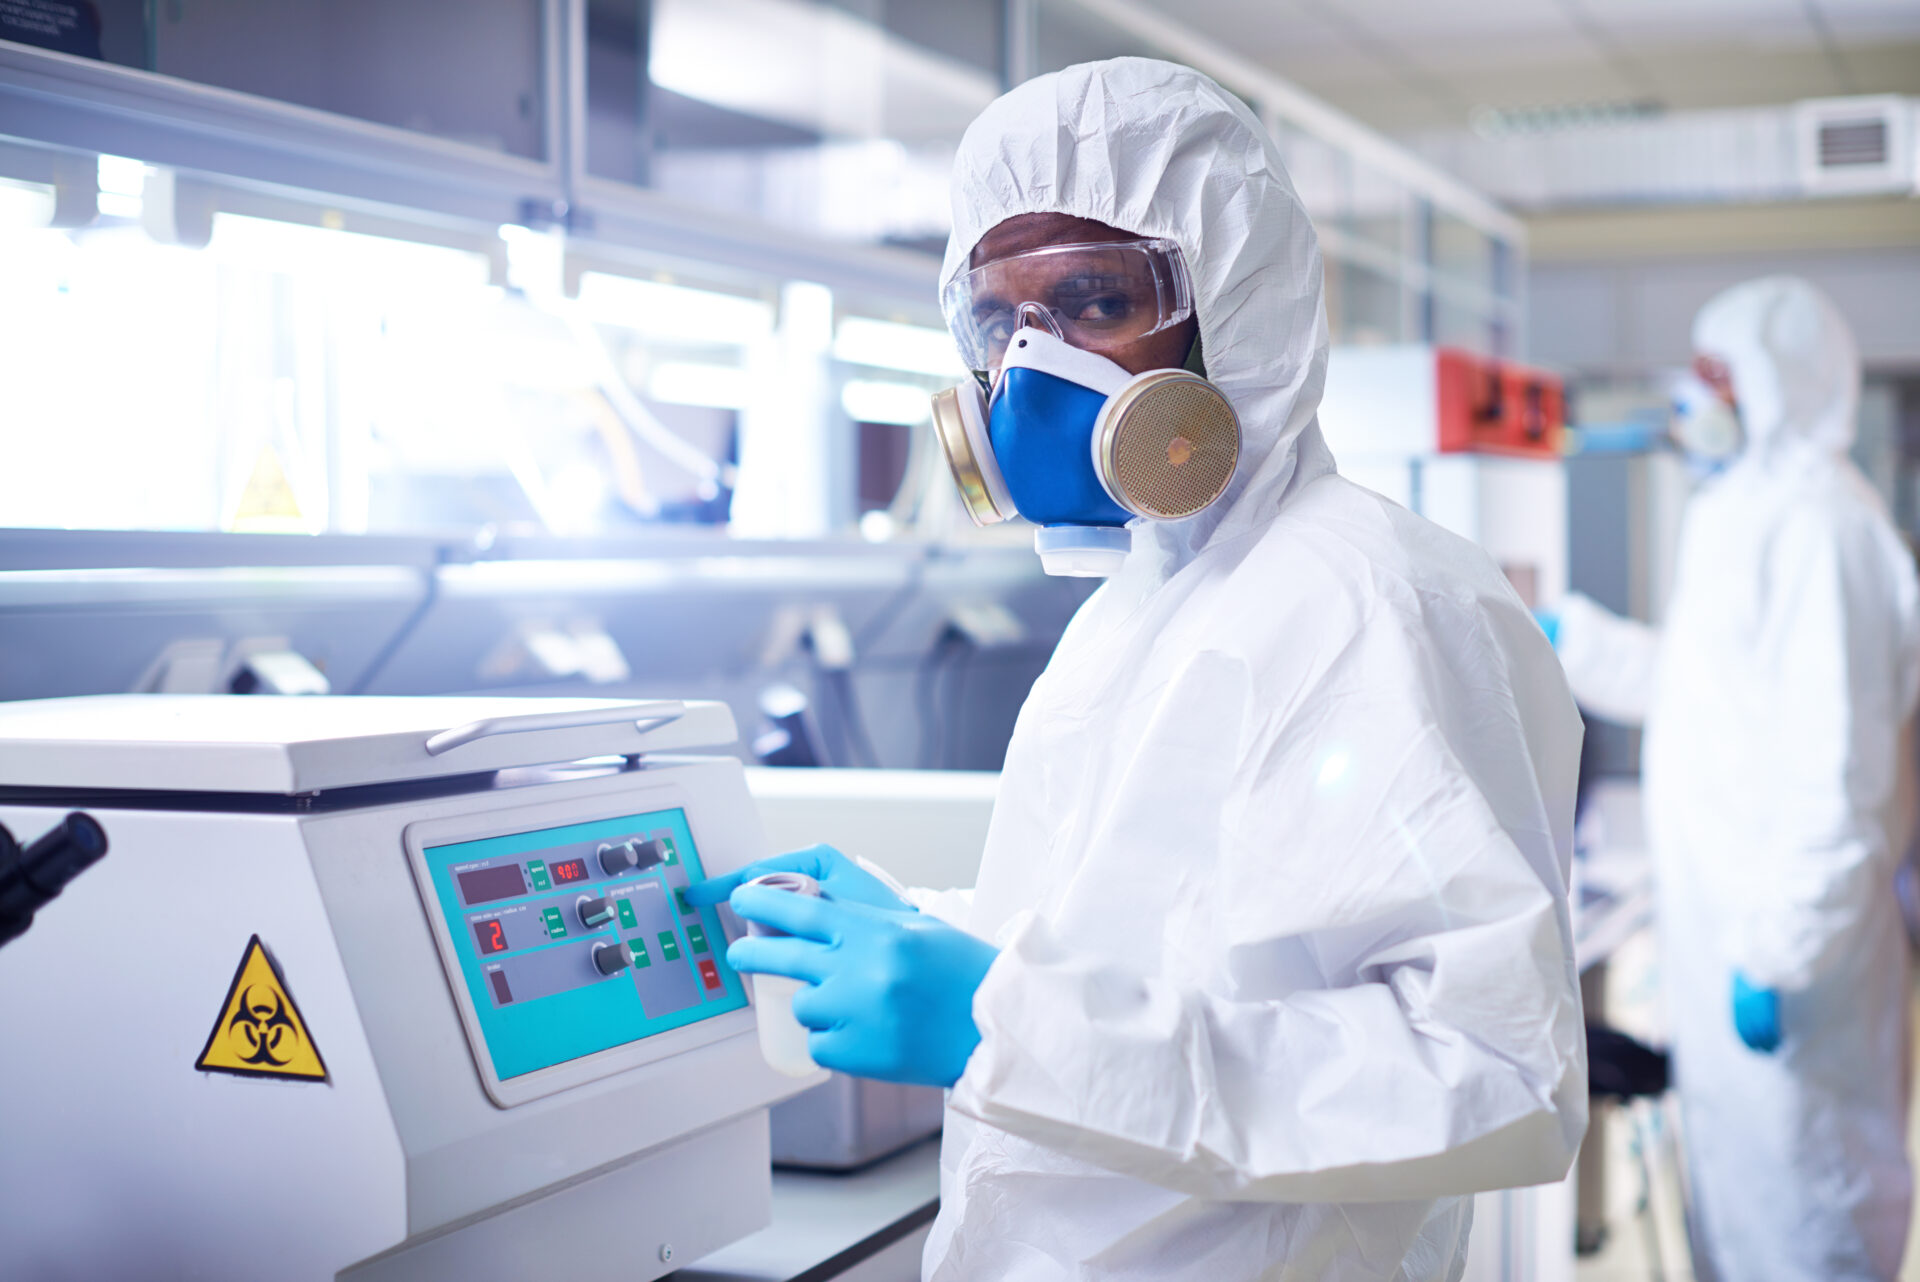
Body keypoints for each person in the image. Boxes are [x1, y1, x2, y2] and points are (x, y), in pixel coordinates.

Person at [690, 57, 1588, 1280]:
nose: (1032, 367)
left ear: (1240, 304)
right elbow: (1166, 944)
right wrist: (935, 930)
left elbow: (1492, 1072)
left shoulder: (1372, 600)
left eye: (1097, 301)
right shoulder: (1135, 603)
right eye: (1002, 322)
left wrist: (997, 1021)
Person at [1547, 276, 1920, 1282]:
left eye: (1720, 377)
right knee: (1747, 1210)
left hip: (1791, 968)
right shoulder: (1741, 511)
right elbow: (1701, 686)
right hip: (1731, 946)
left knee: (1807, 1216)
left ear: (1779, 384)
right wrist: (1563, 639)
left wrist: (1780, 955)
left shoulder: (1822, 530)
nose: (1695, 398)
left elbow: (1835, 777)